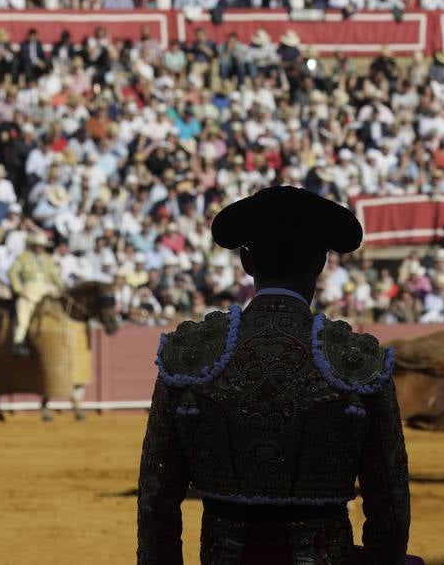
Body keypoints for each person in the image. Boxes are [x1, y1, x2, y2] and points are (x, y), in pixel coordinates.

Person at [137, 186, 411, 565]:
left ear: (246, 261)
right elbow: (390, 502)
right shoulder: (356, 360)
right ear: (320, 262)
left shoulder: (193, 355)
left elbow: (156, 498)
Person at [9, 230, 62, 355]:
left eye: (41, 246)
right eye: (37, 245)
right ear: (32, 245)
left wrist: (63, 289)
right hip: (28, 292)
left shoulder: (48, 259)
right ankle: (18, 342)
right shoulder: (23, 257)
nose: (39, 248)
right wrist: (18, 288)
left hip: (46, 292)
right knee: (23, 317)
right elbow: (12, 273)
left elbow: (55, 276)